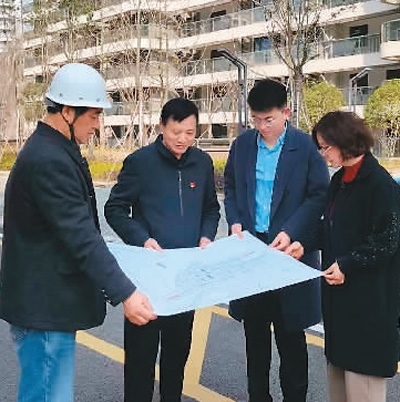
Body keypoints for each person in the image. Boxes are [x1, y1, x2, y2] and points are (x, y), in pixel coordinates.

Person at [0, 63, 156, 402]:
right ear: (67, 112)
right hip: (44, 311)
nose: (98, 125)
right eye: (94, 116)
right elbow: (81, 235)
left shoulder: (52, 149)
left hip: (46, 307)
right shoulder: (49, 160)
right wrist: (126, 294)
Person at [104, 97, 220, 402]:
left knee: (177, 356)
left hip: (185, 277)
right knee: (140, 360)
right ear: (161, 127)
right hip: (148, 278)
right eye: (175, 132)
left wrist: (206, 236)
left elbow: (211, 208)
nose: (182, 139)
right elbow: (114, 208)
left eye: (190, 133)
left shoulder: (202, 163)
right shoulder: (140, 163)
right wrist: (142, 239)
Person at [224, 78, 329, 402]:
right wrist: (235, 221)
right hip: (252, 251)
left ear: (286, 112)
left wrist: (292, 230)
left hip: (288, 253)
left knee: (290, 337)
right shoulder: (243, 145)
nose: (261, 127)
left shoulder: (305, 147)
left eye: (268, 119)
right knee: (254, 337)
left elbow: (318, 195)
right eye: (255, 120)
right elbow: (231, 187)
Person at [311, 111, 400, 402]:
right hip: (340, 309)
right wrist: (299, 243)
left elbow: (387, 240)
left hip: (368, 308)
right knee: (338, 390)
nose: (323, 154)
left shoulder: (380, 184)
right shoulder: (339, 180)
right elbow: (330, 228)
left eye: (326, 147)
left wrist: (347, 265)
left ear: (345, 141)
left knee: (364, 391)